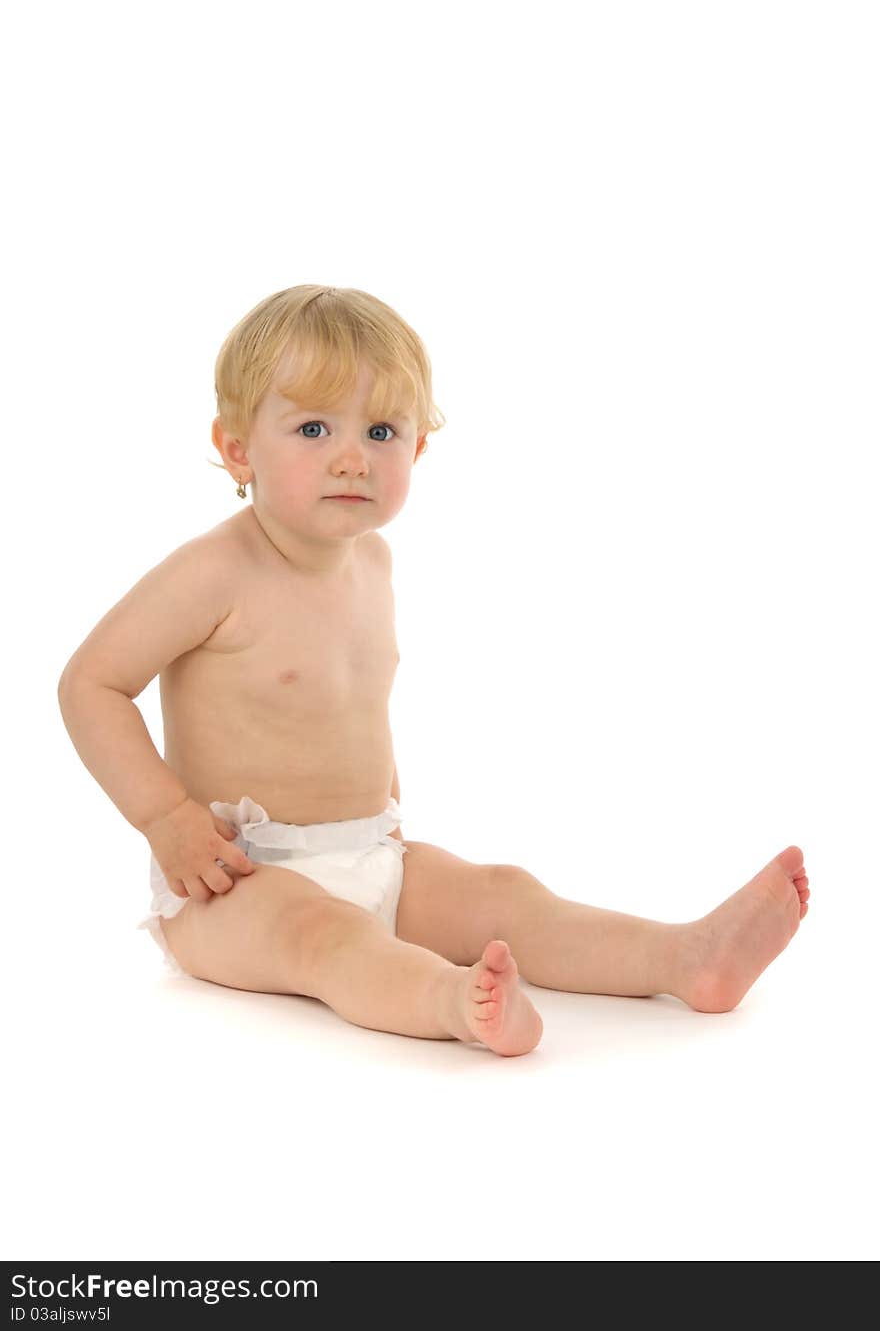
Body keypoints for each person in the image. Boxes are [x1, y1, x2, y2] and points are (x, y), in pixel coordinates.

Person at [57, 284, 810, 1058]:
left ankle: (685, 958)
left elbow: (352, 707)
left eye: (381, 430)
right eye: (313, 428)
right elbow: (90, 684)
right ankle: (450, 1001)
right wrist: (166, 819)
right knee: (321, 936)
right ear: (238, 447)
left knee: (505, 893)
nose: (353, 456)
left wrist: (387, 811)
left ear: (416, 448)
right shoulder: (212, 574)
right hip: (233, 884)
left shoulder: (373, 563)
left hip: (374, 850)